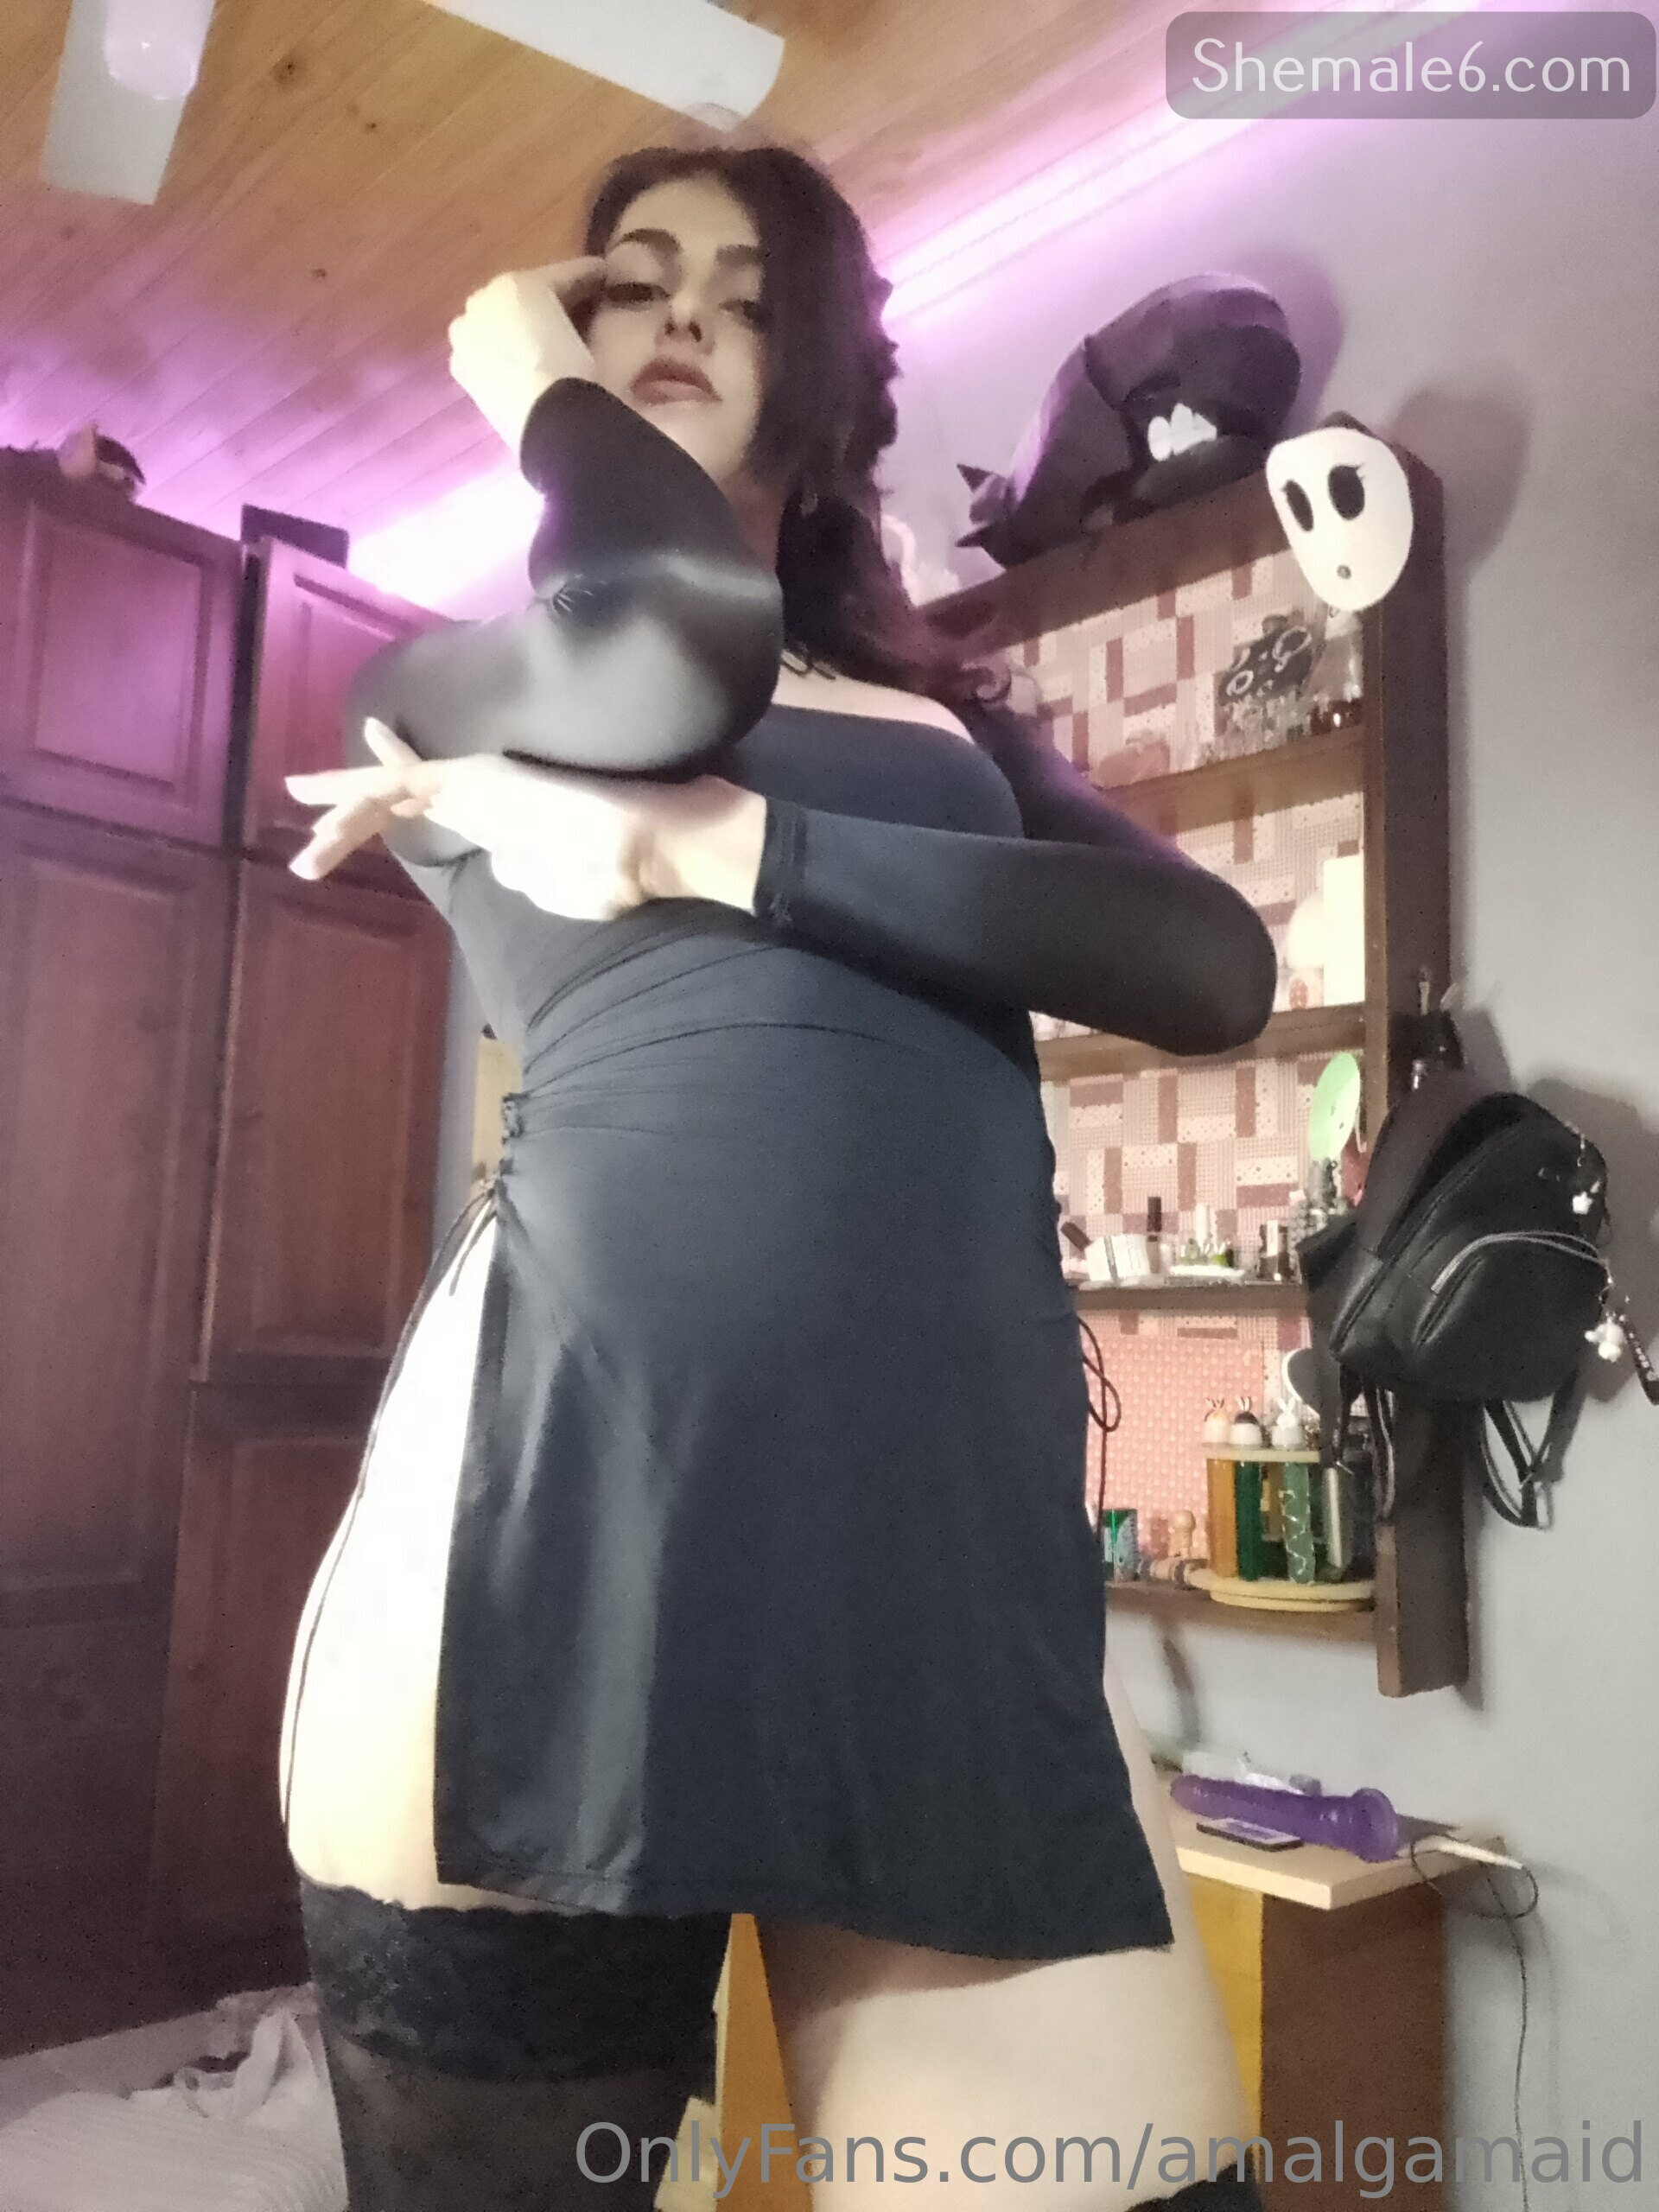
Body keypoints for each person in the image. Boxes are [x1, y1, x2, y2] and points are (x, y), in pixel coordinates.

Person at [278, 142, 1277, 2211]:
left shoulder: (951, 729)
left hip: (933, 1552)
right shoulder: (451, 692)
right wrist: (534, 390)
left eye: (743, 299)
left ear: (821, 389)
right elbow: (671, 639)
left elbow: (1206, 966)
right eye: (630, 283)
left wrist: (723, 848)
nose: (675, 321)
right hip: (549, 1511)